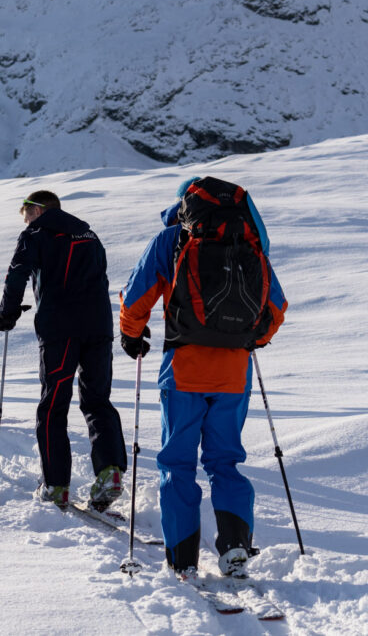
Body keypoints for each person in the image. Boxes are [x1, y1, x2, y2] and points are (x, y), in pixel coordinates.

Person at [118, 176, 286, 578]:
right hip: (233, 374)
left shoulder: (173, 239)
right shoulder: (247, 241)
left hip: (184, 371)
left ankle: (183, 558)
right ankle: (234, 547)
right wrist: (249, 339)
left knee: (177, 463)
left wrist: (131, 335)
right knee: (225, 461)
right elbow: (276, 305)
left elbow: (136, 295)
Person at [0, 190, 127, 511]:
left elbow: (17, 272)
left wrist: (6, 313)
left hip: (60, 329)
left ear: (37, 209)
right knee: (97, 400)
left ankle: (56, 486)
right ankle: (110, 471)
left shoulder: (35, 233)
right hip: (98, 327)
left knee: (53, 406)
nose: (24, 220)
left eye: (25, 213)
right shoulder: (90, 235)